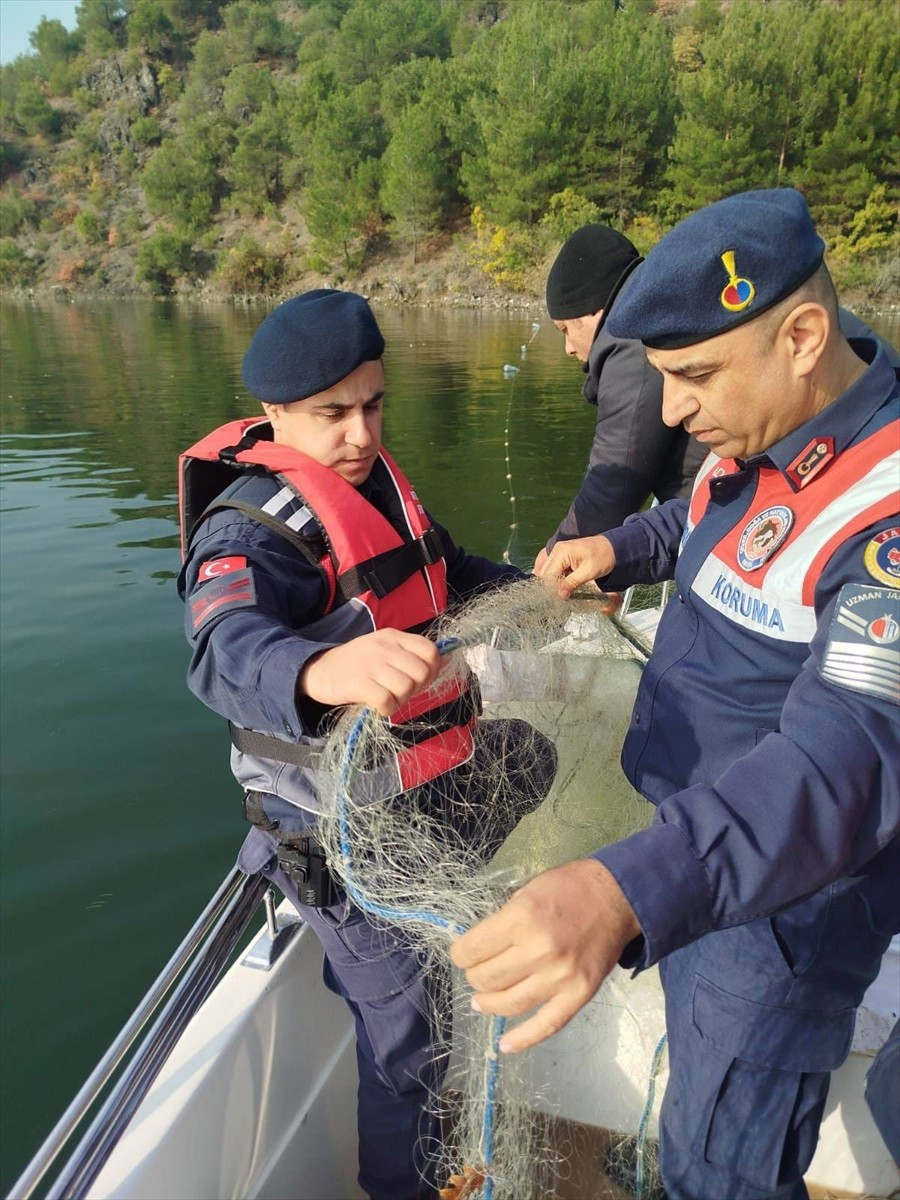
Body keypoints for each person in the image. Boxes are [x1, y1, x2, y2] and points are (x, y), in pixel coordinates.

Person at [451, 189, 899, 1200]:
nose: (669, 412)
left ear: (803, 337)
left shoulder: (887, 519)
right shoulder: (778, 419)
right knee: (701, 1090)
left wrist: (624, 889)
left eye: (692, 376)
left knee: (727, 1163)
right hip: (702, 854)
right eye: (658, 376)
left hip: (785, 909)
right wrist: (620, 546)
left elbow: (841, 766)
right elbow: (706, 518)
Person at [177, 290, 555, 1200]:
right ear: (275, 413)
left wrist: (538, 592)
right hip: (333, 830)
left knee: (531, 757)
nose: (360, 434)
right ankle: (400, 1184)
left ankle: (427, 912)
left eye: (374, 405)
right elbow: (223, 650)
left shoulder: (376, 481)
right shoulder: (249, 529)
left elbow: (448, 572)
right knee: (410, 1045)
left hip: (417, 783)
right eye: (332, 414)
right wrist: (318, 670)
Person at [538, 223, 706, 569]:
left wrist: (560, 556)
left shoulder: (630, 339)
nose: (568, 348)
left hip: (718, 516)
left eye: (565, 329)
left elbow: (616, 478)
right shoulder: (659, 308)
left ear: (594, 311)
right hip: (703, 509)